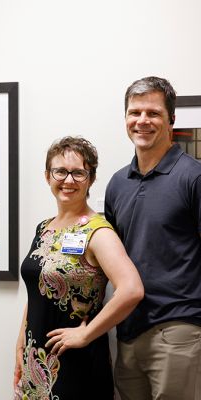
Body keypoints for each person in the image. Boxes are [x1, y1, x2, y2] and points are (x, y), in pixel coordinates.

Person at [14, 136, 143, 399]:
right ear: (48, 176)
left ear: (91, 179)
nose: (68, 180)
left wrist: (85, 335)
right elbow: (38, 290)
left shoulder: (98, 231)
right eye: (60, 171)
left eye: (78, 173)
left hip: (76, 361)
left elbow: (132, 290)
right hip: (35, 354)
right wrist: (20, 342)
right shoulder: (44, 227)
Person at [105, 76, 201, 399]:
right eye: (134, 113)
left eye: (153, 113)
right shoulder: (117, 184)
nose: (142, 121)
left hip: (179, 332)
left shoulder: (194, 177)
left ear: (171, 119)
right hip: (128, 335)